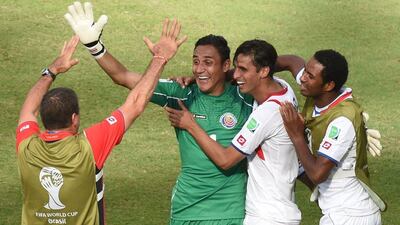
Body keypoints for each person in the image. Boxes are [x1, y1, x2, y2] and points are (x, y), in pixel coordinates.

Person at [64, 2, 253, 224]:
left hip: (230, 212)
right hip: (187, 210)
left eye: (208, 63)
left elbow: (268, 68)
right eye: (196, 62)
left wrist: (230, 75)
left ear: (226, 65)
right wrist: (94, 45)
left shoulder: (246, 98)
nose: (200, 69)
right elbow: (123, 77)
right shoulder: (181, 93)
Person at [16, 17, 185, 225]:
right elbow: (135, 103)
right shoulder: (89, 146)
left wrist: (50, 71)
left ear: (42, 118)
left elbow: (27, 111)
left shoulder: (26, 147)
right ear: (74, 119)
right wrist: (160, 57)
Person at [166, 39, 302, 225]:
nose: (236, 76)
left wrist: (190, 124)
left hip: (266, 216)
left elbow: (225, 160)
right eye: (236, 68)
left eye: (243, 70)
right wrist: (205, 76)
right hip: (283, 208)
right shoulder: (284, 88)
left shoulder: (266, 114)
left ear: (264, 71)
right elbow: (290, 60)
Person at [278, 50, 386, 225]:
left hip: (349, 216)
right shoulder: (317, 91)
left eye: (310, 76)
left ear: (328, 85)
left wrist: (296, 135)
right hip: (345, 211)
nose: (303, 78)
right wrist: (261, 68)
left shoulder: (342, 120)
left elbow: (317, 174)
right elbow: (292, 61)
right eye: (305, 71)